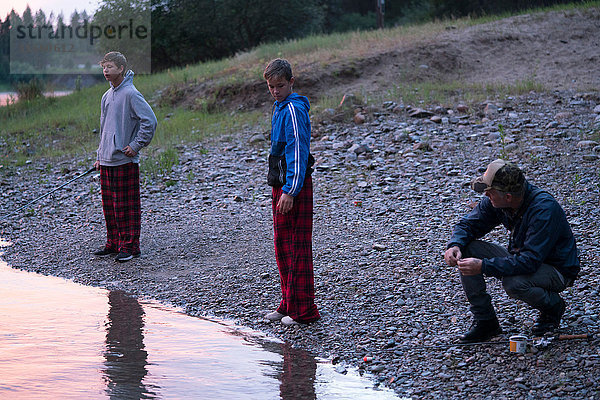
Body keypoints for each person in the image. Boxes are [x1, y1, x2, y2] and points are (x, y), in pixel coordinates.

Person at [444, 159, 579, 342]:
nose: (486, 196)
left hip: (556, 270)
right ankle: (486, 322)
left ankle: (553, 307)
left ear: (507, 197)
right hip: (523, 258)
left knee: (514, 283)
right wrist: (455, 245)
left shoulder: (543, 210)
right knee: (468, 248)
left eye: (489, 192)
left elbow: (529, 261)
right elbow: (468, 225)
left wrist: (484, 266)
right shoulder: (499, 201)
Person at [262, 58, 320, 326]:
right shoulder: (279, 107)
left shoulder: (294, 110)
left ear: (291, 83)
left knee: (298, 246)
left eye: (280, 86)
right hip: (281, 185)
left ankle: (304, 310)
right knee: (282, 246)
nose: (275, 90)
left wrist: (291, 190)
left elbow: (298, 150)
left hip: (293, 188)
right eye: (271, 86)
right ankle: (288, 303)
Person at [93, 51, 157, 262]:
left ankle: (130, 247)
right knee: (109, 206)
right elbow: (104, 129)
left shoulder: (131, 93)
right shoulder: (106, 96)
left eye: (110, 67)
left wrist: (136, 145)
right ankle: (113, 244)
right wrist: (99, 155)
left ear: (121, 69)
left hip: (125, 160)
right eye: (104, 67)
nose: (106, 71)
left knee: (126, 206)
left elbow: (150, 120)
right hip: (107, 160)